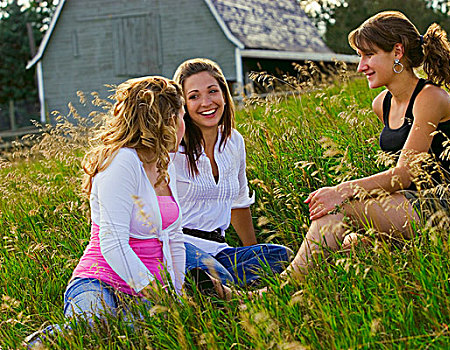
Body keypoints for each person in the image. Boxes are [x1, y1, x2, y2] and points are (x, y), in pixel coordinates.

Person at [285, 11, 450, 277]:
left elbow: (405, 175)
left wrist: (342, 191)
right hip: (409, 205)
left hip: (446, 206)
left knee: (340, 210)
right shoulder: (381, 104)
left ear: (397, 51)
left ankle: (279, 288)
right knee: (347, 243)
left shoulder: (430, 98)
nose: (361, 66)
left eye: (368, 55)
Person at [26, 76, 188, 346]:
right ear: (165, 121)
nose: (185, 126)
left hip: (149, 291)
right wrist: (157, 294)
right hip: (100, 281)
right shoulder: (121, 162)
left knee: (137, 333)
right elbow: (113, 243)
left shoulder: (164, 163)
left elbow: (176, 238)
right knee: (95, 326)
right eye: (180, 117)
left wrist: (176, 296)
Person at [172, 58, 292, 287]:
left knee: (281, 255)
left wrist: (251, 251)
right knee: (217, 275)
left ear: (224, 95)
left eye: (212, 92)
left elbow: (239, 203)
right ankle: (224, 288)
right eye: (194, 96)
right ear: (183, 105)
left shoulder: (233, 142)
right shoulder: (173, 149)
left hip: (219, 249)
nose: (206, 102)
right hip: (180, 246)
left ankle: (216, 288)